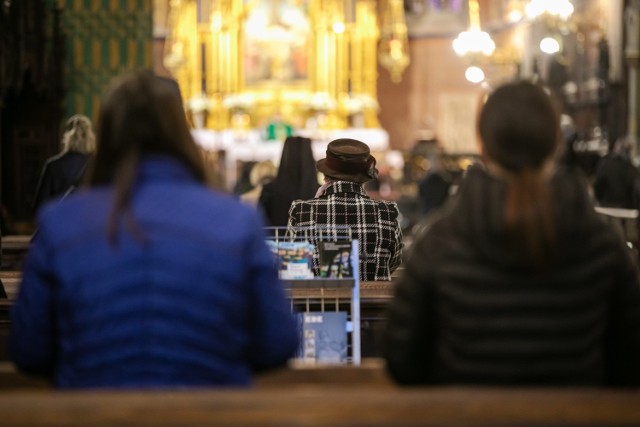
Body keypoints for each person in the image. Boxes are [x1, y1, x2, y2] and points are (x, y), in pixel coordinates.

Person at [10, 71, 298, 389]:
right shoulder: (236, 220)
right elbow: (277, 343)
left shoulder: (60, 222)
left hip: (95, 412)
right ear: (181, 132)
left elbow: (29, 351)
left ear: (108, 133)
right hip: (208, 412)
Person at [382, 81, 640, 387]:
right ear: (556, 141)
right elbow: (631, 358)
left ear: (482, 144)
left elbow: (401, 356)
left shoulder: (440, 240)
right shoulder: (602, 242)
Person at [287, 138, 403, 281]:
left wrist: (313, 204)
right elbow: (394, 261)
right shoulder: (386, 212)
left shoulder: (301, 211)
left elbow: (292, 266)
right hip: (372, 302)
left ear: (325, 176)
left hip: (318, 302)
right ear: (364, 178)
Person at [33, 114, 96, 212]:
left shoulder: (52, 165)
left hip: (59, 223)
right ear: (90, 137)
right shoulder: (96, 165)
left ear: (66, 138)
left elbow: (40, 208)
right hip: (88, 224)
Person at [258, 135, 318, 227]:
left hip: (276, 240)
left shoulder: (269, 190)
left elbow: (261, 223)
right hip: (312, 241)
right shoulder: (320, 191)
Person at [593, 137, 640, 209]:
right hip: (626, 211)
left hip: (606, 207)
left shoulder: (605, 164)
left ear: (616, 148)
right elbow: (636, 193)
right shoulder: (633, 170)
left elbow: (597, 186)